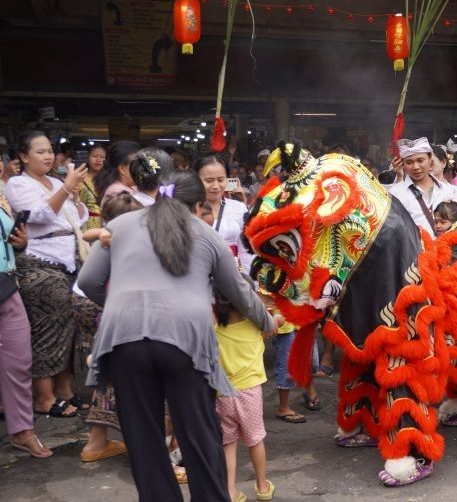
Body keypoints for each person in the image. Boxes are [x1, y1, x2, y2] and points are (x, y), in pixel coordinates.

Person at [77, 171, 276, 501]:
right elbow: (240, 294)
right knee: (199, 436)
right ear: (198, 206)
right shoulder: (205, 234)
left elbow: (88, 281)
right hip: (184, 342)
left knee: (144, 440)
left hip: (124, 340)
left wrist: (123, 307)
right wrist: (267, 322)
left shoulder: (121, 226)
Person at [4, 130, 88, 418]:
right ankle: (43, 396)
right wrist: (66, 189)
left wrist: (73, 195)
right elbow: (38, 215)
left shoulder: (54, 181)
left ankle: (65, 391)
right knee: (46, 330)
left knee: (68, 330)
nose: (48, 155)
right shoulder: (17, 184)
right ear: (24, 157)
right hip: (40, 262)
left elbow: (79, 217)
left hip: (68, 260)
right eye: (40, 151)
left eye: (50, 150)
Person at [77, 193, 144, 464]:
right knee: (143, 381)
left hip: (106, 318)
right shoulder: (119, 243)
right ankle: (152, 450)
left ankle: (96, 442)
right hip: (123, 319)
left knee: (107, 377)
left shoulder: (106, 238)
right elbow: (90, 281)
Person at [213, 286, 279, 502]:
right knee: (255, 440)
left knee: (228, 443)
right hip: (249, 393)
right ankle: (262, 486)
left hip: (222, 394)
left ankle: (230, 492)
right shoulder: (255, 326)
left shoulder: (215, 330)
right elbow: (281, 320)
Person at [0, 194, 52, 458]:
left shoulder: (1, 198)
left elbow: (9, 242)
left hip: (7, 286)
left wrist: (20, 244)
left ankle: (22, 431)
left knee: (19, 360)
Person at [389, 138, 457, 238]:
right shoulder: (395, 194)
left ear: (430, 158)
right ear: (403, 164)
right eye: (409, 162)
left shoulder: (454, 192)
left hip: (450, 252)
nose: (416, 167)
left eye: (420, 160)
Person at [195, 155, 254, 272]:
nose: (216, 186)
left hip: (231, 278)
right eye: (209, 181)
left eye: (221, 180)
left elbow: (247, 252)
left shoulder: (239, 208)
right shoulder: (185, 209)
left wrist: (250, 285)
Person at [78, 144, 107, 230]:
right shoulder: (80, 178)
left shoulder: (110, 180)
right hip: (85, 225)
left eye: (102, 157)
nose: (98, 160)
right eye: (94, 156)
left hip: (106, 225)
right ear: (88, 158)